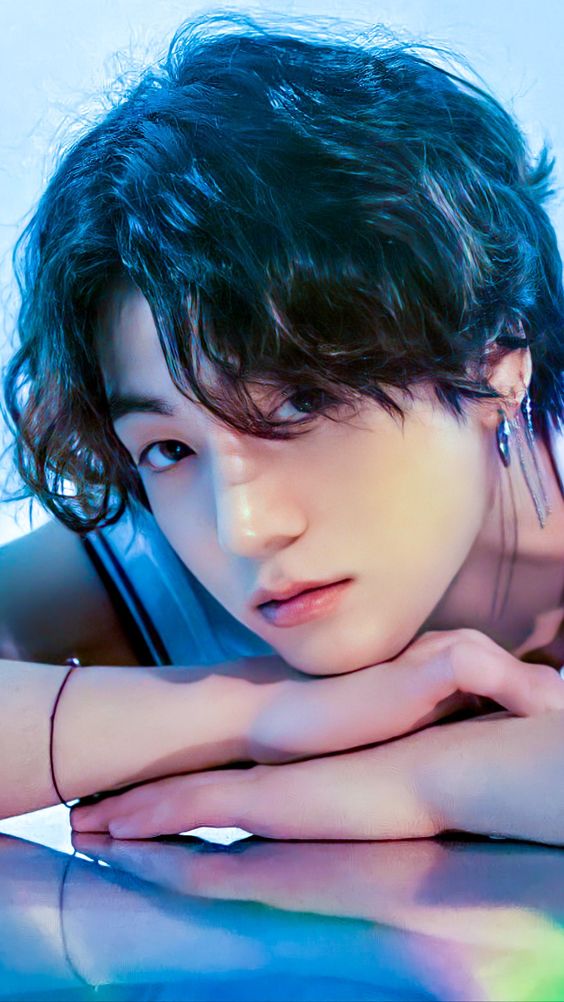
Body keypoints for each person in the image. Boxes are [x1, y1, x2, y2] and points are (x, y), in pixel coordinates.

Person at [1, 11, 563, 844]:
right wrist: (258, 712)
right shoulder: (157, 563)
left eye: (299, 403)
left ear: (496, 361)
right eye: (169, 448)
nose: (245, 526)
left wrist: (425, 780)